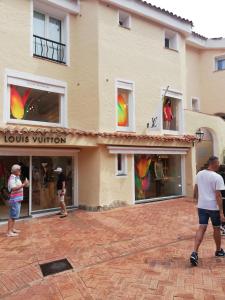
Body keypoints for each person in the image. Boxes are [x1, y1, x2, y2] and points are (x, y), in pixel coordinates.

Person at [190, 156, 225, 266]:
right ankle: (218, 250)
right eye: (218, 163)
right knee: (216, 229)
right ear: (213, 163)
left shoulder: (199, 174)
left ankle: (194, 252)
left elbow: (195, 189)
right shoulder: (217, 177)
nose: (219, 165)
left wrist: (196, 201)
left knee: (202, 227)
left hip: (202, 206)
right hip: (213, 207)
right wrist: (221, 212)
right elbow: (218, 195)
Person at [7, 164, 29, 237]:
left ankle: (12, 229)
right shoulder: (12, 178)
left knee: (14, 215)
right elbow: (13, 188)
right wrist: (23, 184)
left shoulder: (16, 177)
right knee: (12, 216)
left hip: (17, 199)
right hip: (14, 200)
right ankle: (9, 232)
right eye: (19, 170)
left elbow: (19, 186)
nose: (20, 171)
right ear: (15, 171)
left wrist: (25, 184)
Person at [218, 165, 225, 235]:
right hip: (223, 197)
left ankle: (220, 226)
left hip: (218, 197)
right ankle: (222, 227)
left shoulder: (217, 176)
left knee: (220, 212)